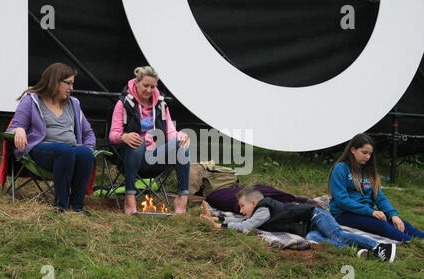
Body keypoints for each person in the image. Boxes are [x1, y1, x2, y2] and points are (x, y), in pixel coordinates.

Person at [201, 186, 397, 263]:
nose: (241, 210)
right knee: (317, 241)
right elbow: (243, 221)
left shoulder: (263, 208)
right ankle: (357, 252)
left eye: (242, 206)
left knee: (336, 234)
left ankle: (380, 247)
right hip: (309, 228)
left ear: (254, 202)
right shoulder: (257, 213)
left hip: (315, 216)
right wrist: (217, 218)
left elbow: (245, 226)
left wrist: (222, 227)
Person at [7, 62, 96, 213]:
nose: (71, 88)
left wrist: (88, 147)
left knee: (85, 154)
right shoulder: (31, 100)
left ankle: (77, 207)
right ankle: (60, 206)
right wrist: (20, 129)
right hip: (41, 151)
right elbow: (15, 126)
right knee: (64, 149)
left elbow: (89, 133)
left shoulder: (74, 103)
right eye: (67, 83)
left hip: (69, 151)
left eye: (72, 84)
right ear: (54, 81)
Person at [109, 66, 190, 214]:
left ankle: (182, 198)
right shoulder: (123, 103)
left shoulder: (161, 104)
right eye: (145, 85)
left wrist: (180, 136)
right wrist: (124, 137)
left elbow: (170, 132)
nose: (149, 90)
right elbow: (113, 134)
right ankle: (130, 197)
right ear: (137, 82)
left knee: (182, 145)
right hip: (131, 158)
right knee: (137, 141)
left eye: (153, 86)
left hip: (155, 157)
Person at [328, 133, 424, 242]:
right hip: (343, 214)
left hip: (366, 212)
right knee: (382, 226)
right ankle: (409, 242)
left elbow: (379, 197)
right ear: (353, 150)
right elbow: (342, 200)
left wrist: (393, 215)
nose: (368, 157)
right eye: (364, 153)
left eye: (370, 154)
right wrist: (371, 212)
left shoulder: (368, 170)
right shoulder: (340, 169)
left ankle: (421, 239)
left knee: (402, 223)